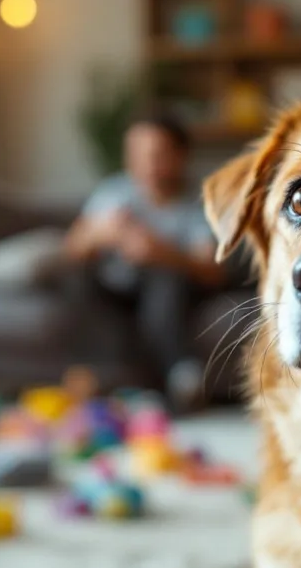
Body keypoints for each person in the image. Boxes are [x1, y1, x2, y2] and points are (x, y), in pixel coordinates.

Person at [64, 112, 224, 411]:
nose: (146, 164)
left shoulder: (198, 203)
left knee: (164, 278)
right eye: (136, 155)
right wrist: (100, 235)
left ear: (180, 156)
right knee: (75, 279)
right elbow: (71, 249)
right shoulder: (114, 192)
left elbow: (213, 270)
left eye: (157, 155)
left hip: (166, 290)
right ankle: (96, 377)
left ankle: (176, 380)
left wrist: (160, 252)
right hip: (114, 286)